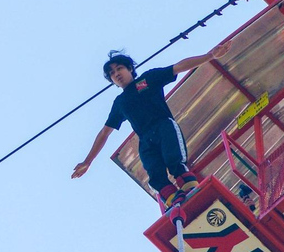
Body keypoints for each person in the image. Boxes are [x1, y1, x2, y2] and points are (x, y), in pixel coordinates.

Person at [71, 42, 232, 208]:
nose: (116, 74)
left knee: (174, 161)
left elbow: (177, 67)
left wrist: (209, 56)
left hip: (163, 127)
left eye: (119, 68)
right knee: (155, 176)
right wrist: (88, 161)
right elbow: (105, 133)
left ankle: (192, 192)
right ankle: (177, 201)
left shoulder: (147, 79)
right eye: (112, 73)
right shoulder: (120, 102)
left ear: (130, 69)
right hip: (146, 140)